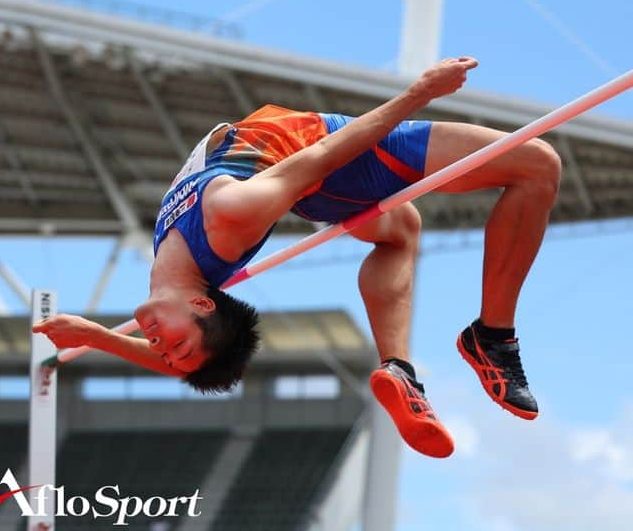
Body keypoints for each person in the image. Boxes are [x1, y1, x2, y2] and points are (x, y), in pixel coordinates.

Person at [33, 57, 561, 458]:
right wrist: (419, 93)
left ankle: (399, 368)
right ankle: (491, 335)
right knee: (537, 164)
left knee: (401, 228)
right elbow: (324, 158)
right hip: (323, 149)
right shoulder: (228, 217)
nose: (157, 344)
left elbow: (186, 363)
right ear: (204, 305)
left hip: (300, 173)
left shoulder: (177, 267)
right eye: (172, 344)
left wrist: (98, 337)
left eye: (165, 350)